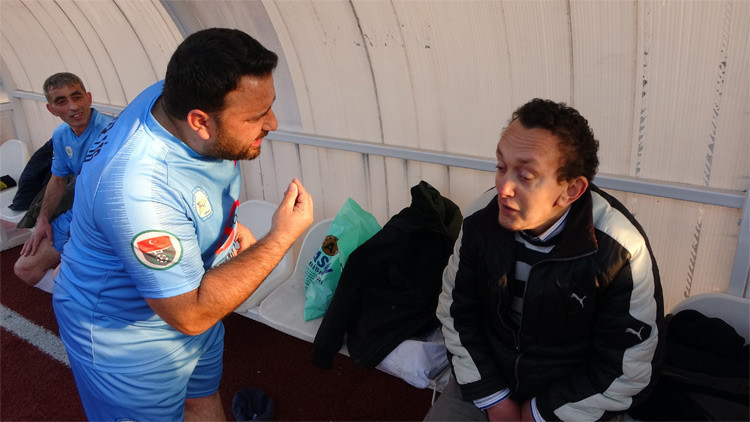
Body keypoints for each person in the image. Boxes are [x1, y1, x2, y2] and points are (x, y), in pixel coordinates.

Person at [52, 28, 313, 420]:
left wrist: (227, 231)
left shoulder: (178, 94)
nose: (272, 123)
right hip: (127, 337)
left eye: (270, 107)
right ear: (200, 122)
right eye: (257, 116)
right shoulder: (139, 191)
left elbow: (194, 191)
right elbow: (190, 314)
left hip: (195, 289)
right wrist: (280, 238)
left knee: (201, 398)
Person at [426, 99, 664, 421]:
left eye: (526, 175)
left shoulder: (620, 251)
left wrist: (540, 413)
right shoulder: (479, 221)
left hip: (574, 396)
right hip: (489, 378)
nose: (503, 188)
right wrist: (494, 398)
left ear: (571, 190)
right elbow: (457, 313)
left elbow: (625, 366)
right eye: (501, 166)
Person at [14, 73, 115, 292]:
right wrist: (42, 219)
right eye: (61, 101)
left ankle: (83, 299)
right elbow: (58, 179)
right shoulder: (61, 135)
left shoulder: (112, 131)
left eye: (77, 97)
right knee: (25, 269)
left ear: (88, 98)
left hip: (110, 221)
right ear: (51, 109)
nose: (73, 107)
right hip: (78, 215)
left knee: (70, 275)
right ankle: (74, 297)